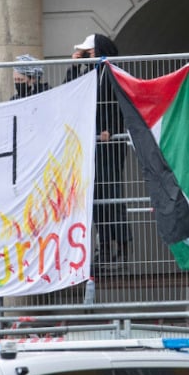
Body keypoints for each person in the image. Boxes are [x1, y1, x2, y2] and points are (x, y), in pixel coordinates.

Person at [66, 33, 130, 269]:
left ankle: (122, 246)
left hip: (109, 146)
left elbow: (121, 106)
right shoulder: (91, 74)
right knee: (96, 199)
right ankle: (104, 247)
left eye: (89, 52)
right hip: (91, 145)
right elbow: (70, 91)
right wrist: (74, 64)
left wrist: (111, 130)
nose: (86, 56)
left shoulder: (113, 73)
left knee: (112, 195)